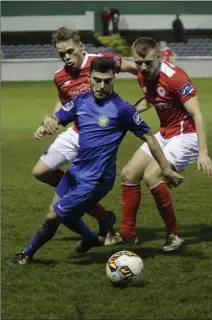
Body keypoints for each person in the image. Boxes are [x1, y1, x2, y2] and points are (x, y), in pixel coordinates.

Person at [9, 57, 184, 265]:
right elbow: (55, 117)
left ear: (114, 78)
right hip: (76, 172)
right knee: (58, 212)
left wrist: (165, 168)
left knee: (55, 216)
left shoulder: (122, 109)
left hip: (96, 180)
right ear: (89, 77)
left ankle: (27, 254)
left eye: (107, 81)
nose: (102, 86)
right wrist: (47, 120)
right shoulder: (81, 101)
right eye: (97, 80)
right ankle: (94, 238)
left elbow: (149, 137)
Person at [12, 27, 138, 263]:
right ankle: (101, 216)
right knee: (40, 171)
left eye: (70, 51)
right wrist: (49, 121)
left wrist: (148, 96)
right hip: (76, 132)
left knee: (74, 195)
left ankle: (86, 211)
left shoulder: (100, 62)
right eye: (62, 54)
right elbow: (62, 103)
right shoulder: (60, 76)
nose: (67, 57)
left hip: (99, 134)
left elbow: (135, 68)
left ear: (81, 46)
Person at [105, 37, 212, 252]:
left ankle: (174, 236)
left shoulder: (175, 77)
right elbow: (151, 98)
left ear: (158, 56)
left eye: (148, 62)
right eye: (139, 63)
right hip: (166, 133)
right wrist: (128, 113)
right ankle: (128, 234)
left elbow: (198, 114)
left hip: (187, 136)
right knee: (129, 174)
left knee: (152, 175)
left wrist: (203, 153)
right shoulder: (142, 74)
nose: (143, 68)